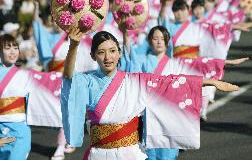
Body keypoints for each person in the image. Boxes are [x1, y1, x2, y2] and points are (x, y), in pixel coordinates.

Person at [61, 27, 239, 160]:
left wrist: (208, 82)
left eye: (112, 51)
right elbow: (69, 77)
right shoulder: (86, 80)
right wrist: (73, 46)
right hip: (99, 154)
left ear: (119, 53)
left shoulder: (135, 80)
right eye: (101, 52)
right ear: (93, 56)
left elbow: (170, 82)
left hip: (130, 152)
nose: (108, 57)